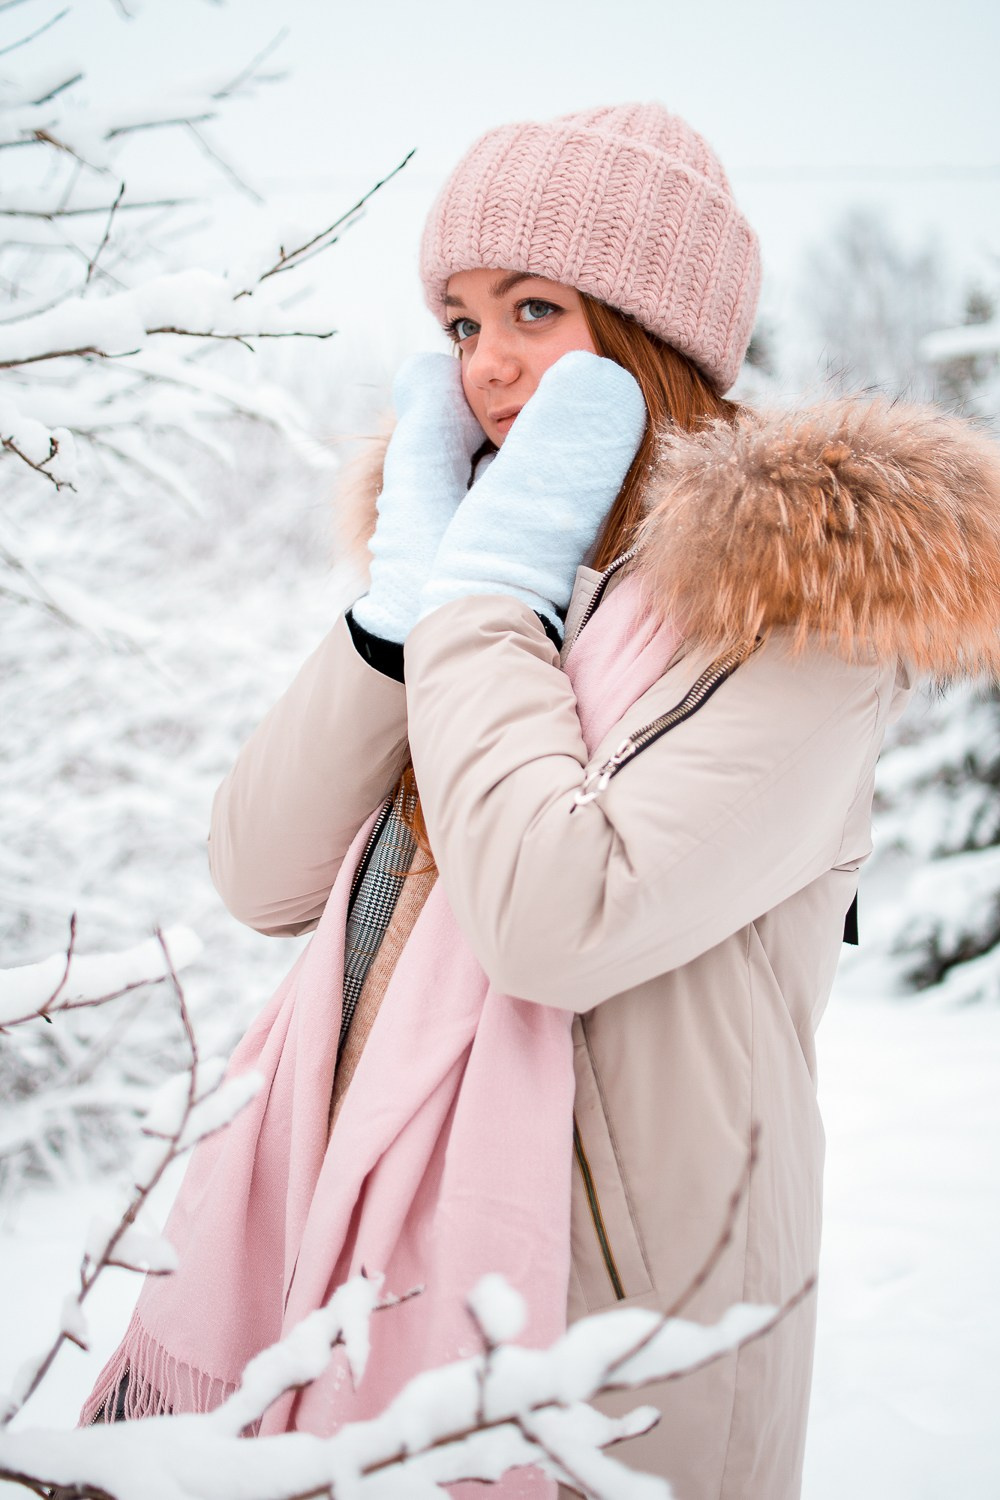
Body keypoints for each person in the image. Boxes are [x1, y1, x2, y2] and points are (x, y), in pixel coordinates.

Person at [82, 103, 1000, 1498]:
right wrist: (405, 613)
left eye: (532, 309)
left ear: (654, 338)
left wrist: (485, 599)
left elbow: (553, 920)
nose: (489, 368)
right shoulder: (479, 574)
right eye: (459, 323)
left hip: (611, 1324)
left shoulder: (798, 618)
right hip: (338, 1274)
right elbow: (258, 873)